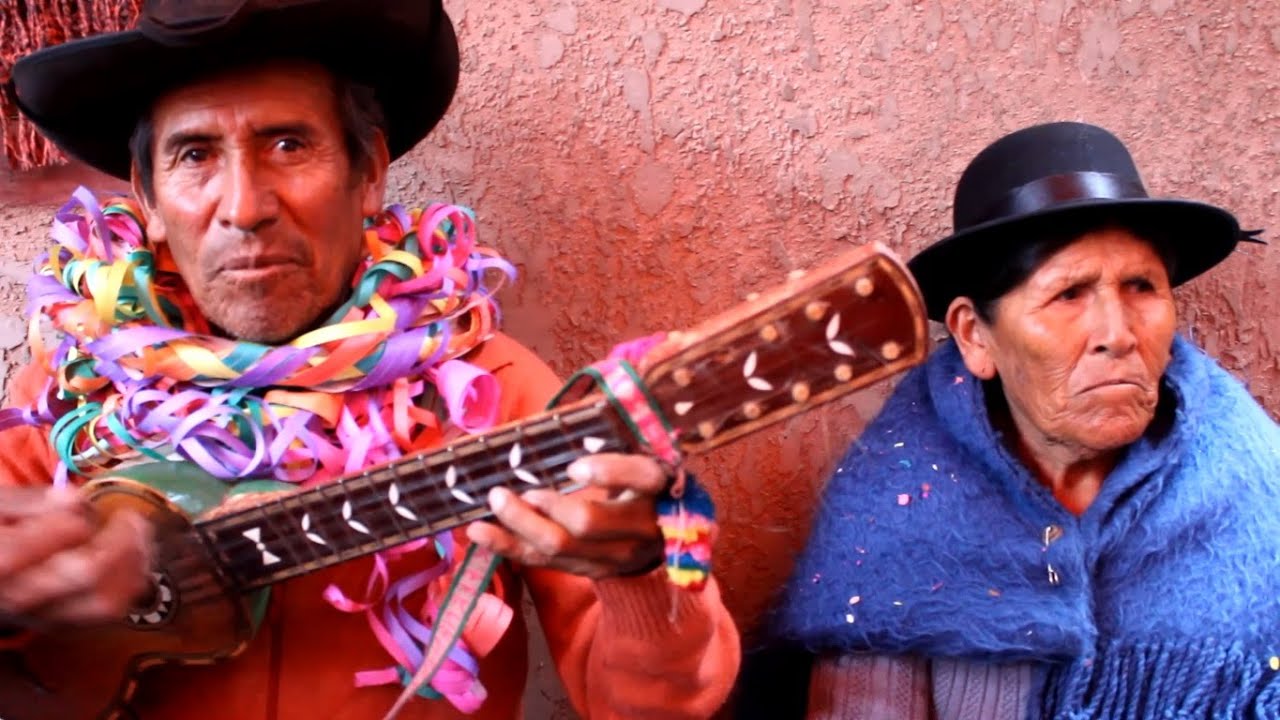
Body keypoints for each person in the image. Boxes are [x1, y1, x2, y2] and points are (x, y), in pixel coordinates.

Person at [0, 1, 740, 718]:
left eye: (289, 145)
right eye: (195, 155)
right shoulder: (69, 396)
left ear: (371, 172)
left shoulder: (493, 394)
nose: (245, 205)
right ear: (149, 199)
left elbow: (655, 708)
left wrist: (642, 575)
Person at [744, 122, 1280, 718]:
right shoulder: (895, 507)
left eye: (1141, 287)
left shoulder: (1256, 486)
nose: (1117, 334)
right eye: (1069, 294)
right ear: (976, 336)